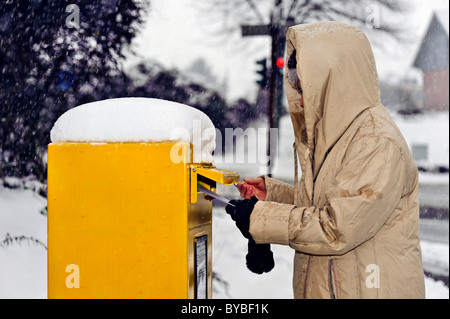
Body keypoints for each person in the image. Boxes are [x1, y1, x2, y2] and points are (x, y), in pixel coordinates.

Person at [225, 21, 425, 299]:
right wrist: (273, 196)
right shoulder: (339, 135)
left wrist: (261, 218)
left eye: (306, 88)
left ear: (333, 82)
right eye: (296, 88)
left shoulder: (375, 141)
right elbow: (328, 205)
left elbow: (336, 227)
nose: (302, 101)